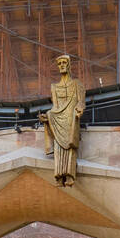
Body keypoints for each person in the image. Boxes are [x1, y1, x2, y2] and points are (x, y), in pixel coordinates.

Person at [40, 54, 84, 186]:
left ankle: (70, 175)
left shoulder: (76, 84)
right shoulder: (54, 87)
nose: (62, 65)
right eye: (59, 64)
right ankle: (59, 176)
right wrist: (47, 117)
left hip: (71, 117)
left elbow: (81, 101)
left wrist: (79, 109)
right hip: (58, 118)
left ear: (69, 65)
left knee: (69, 146)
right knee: (59, 146)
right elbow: (55, 107)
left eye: (64, 62)